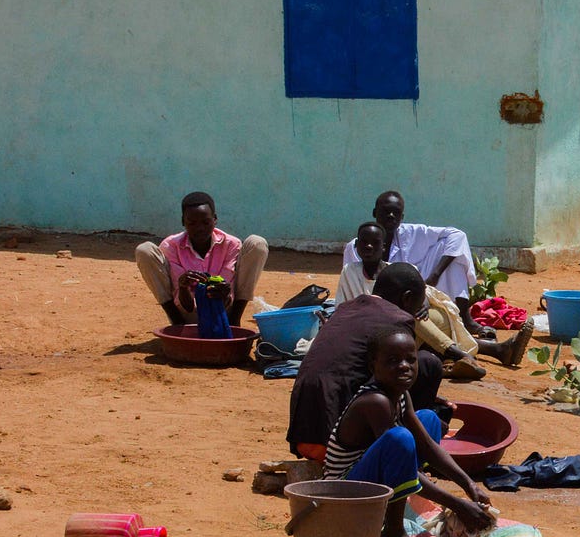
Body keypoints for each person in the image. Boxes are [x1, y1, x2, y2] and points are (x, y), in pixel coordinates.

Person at [323, 325, 497, 537]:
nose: (404, 366)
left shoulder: (400, 395)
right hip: (342, 495)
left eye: (410, 359)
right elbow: (399, 453)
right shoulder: (375, 401)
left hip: (368, 481)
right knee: (400, 438)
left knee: (429, 419)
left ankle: (405, 498)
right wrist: (457, 504)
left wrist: (469, 486)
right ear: (373, 366)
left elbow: (428, 447)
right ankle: (393, 536)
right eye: (392, 361)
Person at [287, 263, 448, 463]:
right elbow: (390, 379)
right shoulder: (398, 319)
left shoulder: (346, 308)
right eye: (417, 305)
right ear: (406, 298)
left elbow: (349, 368)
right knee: (428, 364)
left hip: (305, 434)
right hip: (338, 444)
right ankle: (412, 448)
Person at [333, 221, 533, 375]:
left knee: (432, 318)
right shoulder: (349, 272)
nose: (368, 247)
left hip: (405, 331)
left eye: (375, 243)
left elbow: (424, 293)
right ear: (356, 246)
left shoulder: (394, 271)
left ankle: (483, 353)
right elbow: (342, 309)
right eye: (364, 242)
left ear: (384, 247)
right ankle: (463, 354)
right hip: (374, 334)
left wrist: (423, 303)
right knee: (410, 319)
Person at [134, 191, 268, 327]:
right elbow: (185, 304)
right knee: (145, 250)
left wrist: (223, 291)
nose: (200, 229)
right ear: (183, 221)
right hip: (187, 313)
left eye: (206, 222)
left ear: (215, 219)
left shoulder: (231, 244)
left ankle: (234, 321)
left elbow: (226, 294)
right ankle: (177, 323)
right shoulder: (171, 246)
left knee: (257, 243)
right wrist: (183, 287)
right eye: (192, 223)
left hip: (222, 311)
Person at [343, 191, 482, 320]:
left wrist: (434, 276)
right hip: (374, 303)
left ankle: (464, 316)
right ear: (375, 212)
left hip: (411, 295)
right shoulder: (355, 247)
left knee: (453, 254)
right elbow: (352, 284)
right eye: (386, 211)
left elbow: (457, 236)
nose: (391, 215)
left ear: (402, 217)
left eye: (396, 213)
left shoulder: (412, 233)